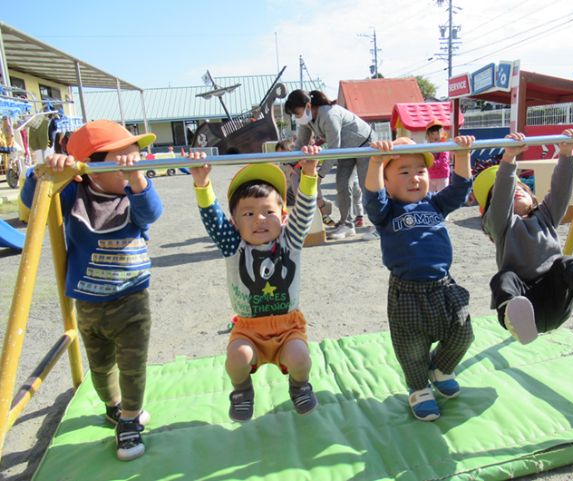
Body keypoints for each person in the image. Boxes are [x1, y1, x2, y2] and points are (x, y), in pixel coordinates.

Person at [20, 120, 163, 461]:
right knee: (100, 366)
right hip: (88, 303)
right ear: (92, 167)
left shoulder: (135, 194)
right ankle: (113, 406)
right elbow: (32, 200)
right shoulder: (74, 193)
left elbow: (152, 213)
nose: (134, 162)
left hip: (132, 299)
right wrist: (47, 170)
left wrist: (136, 178)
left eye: (136, 156)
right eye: (124, 158)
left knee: (132, 364)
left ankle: (129, 420)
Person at [188, 147, 321, 422]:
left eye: (267, 211)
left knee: (299, 357)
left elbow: (306, 210)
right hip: (249, 329)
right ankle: (242, 390)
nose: (259, 219)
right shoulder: (233, 246)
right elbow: (212, 219)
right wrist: (202, 185)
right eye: (248, 214)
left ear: (283, 216)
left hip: (287, 327)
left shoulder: (290, 241)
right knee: (237, 357)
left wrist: (309, 174)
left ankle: (299, 386)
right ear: (235, 223)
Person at [364, 136, 476, 422]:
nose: (415, 178)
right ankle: (418, 389)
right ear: (387, 182)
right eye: (404, 172)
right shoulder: (386, 212)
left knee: (463, 332)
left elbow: (461, 188)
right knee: (411, 347)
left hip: (444, 285)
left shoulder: (435, 205)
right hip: (407, 292)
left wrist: (462, 153)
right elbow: (372, 197)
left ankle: (440, 369)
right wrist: (376, 161)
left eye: (421, 171)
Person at [472, 130, 573, 345]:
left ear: (532, 195)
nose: (517, 191)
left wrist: (566, 155)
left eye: (522, 189)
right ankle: (513, 316)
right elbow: (501, 200)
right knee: (503, 279)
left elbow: (561, 191)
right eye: (512, 190)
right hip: (525, 304)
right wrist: (509, 160)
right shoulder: (501, 226)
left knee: (565, 262)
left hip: (557, 297)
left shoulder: (546, 216)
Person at [284, 89, 377, 240]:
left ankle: (378, 225)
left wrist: (320, 175)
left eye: (297, 113)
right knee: (341, 184)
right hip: (346, 150)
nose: (296, 117)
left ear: (308, 106)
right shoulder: (306, 121)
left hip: (365, 144)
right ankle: (347, 224)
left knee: (366, 184)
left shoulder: (329, 114)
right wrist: (289, 162)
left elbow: (334, 149)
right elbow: (301, 142)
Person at [424, 119, 451, 193]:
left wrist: (432, 163)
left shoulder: (444, 146)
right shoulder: (427, 147)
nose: (435, 136)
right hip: (430, 175)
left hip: (442, 175)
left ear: (441, 134)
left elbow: (444, 160)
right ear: (428, 136)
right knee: (429, 194)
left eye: (437, 133)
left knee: (443, 194)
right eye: (432, 134)